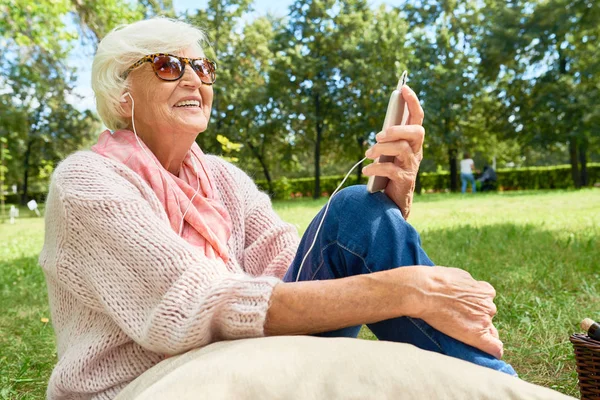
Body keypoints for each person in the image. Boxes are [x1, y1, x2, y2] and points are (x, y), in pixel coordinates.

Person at [39, 18, 515, 400]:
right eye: (167, 66)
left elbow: (294, 267)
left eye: (201, 68)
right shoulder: (88, 182)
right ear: (123, 96)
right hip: (149, 380)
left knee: (353, 210)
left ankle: (501, 385)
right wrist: (409, 291)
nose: (193, 79)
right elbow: (188, 307)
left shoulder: (220, 177)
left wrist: (387, 206)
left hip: (239, 351)